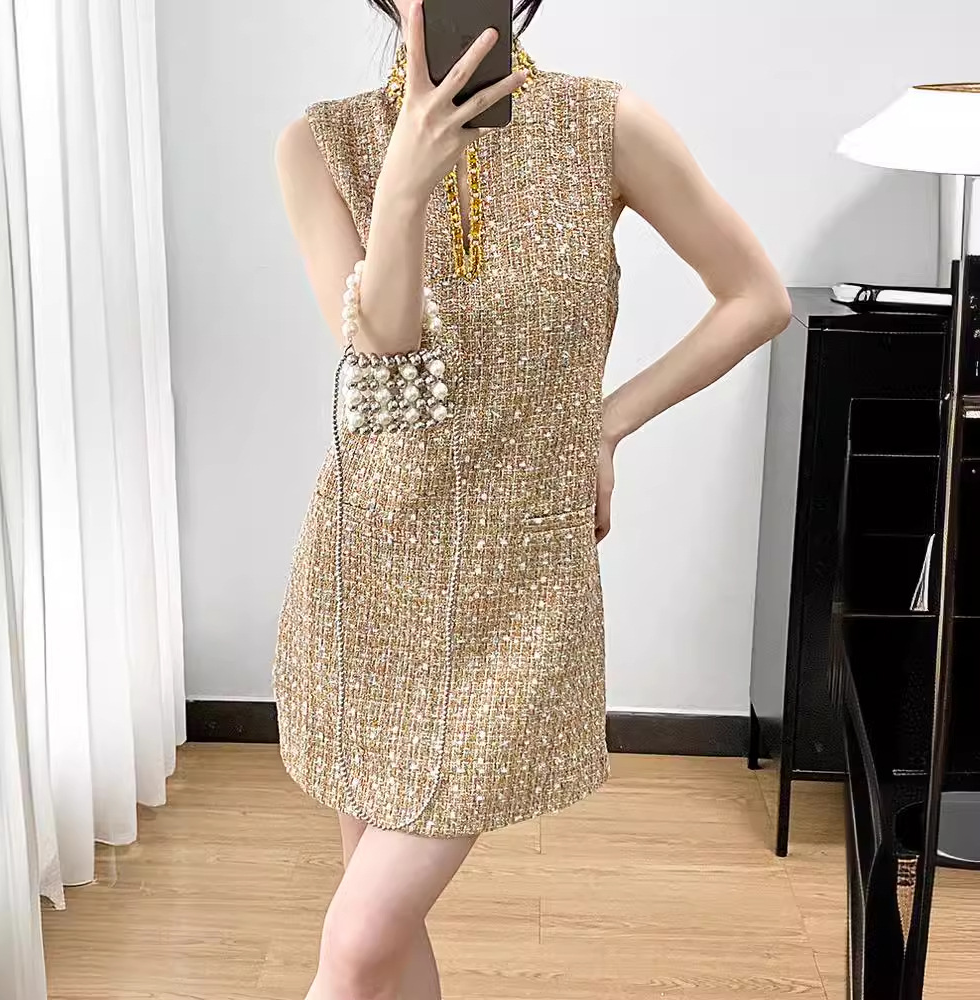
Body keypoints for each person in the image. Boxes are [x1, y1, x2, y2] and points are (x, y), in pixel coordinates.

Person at [271, 2, 791, 998]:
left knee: (358, 940)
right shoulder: (319, 144)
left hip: (523, 584)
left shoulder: (604, 124)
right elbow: (381, 354)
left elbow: (755, 297)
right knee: (379, 937)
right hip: (365, 577)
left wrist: (606, 423)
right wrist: (405, 185)